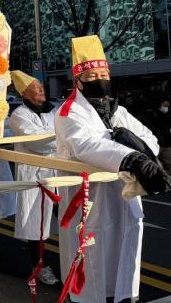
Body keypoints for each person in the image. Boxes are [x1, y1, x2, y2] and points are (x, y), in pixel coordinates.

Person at [55, 35, 171, 302]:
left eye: (104, 73)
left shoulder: (118, 111)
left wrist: (136, 147)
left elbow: (149, 139)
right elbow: (85, 145)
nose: (100, 79)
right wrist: (131, 158)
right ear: (78, 81)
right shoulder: (69, 113)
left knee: (123, 265)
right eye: (93, 74)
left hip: (122, 198)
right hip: (91, 203)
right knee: (91, 272)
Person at [9, 70, 59, 286]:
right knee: (36, 225)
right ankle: (40, 265)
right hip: (35, 175)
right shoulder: (19, 115)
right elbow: (37, 142)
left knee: (70, 218)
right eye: (35, 87)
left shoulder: (54, 111)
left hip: (58, 173)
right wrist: (62, 140)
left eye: (41, 85)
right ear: (25, 94)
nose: (41, 89)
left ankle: (74, 261)